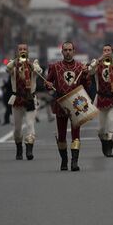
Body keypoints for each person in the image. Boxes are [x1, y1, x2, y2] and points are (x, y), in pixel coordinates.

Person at [47, 41, 90, 171]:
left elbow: (87, 85)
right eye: (65, 50)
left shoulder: (80, 67)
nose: (68, 52)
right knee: (61, 135)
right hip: (60, 103)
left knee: (76, 135)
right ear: (62, 51)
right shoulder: (55, 67)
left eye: (70, 50)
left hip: (76, 104)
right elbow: (48, 82)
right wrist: (48, 85)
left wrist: (86, 73)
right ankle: (64, 160)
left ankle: (74, 162)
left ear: (74, 51)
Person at [88, 44, 113, 157]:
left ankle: (110, 148)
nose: (107, 52)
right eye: (105, 50)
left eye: (109, 50)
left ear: (112, 52)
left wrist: (112, 62)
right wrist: (99, 60)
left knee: (112, 121)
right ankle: (105, 144)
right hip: (101, 97)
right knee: (101, 129)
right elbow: (90, 71)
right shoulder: (97, 63)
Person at [6, 43, 41, 161]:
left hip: (30, 98)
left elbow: (39, 71)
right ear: (17, 51)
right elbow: (7, 68)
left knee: (30, 124)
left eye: (24, 49)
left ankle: (29, 149)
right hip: (17, 99)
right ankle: (19, 148)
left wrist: (30, 64)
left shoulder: (32, 64)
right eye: (20, 49)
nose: (22, 51)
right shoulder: (13, 65)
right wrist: (16, 60)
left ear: (28, 51)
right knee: (17, 128)